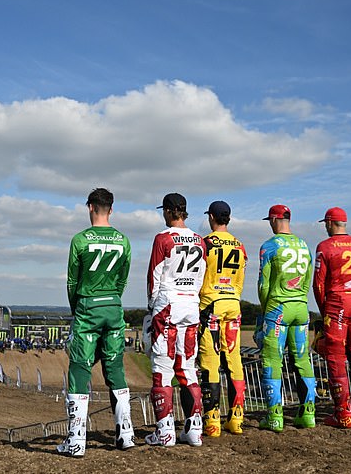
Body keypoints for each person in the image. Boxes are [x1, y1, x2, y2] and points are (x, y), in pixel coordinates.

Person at [57, 187, 135, 457]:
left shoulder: (79, 240)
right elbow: (123, 279)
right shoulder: (123, 241)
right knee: (115, 369)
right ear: (111, 209)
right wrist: (112, 299)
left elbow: (71, 281)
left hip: (87, 306)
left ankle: (76, 440)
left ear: (90, 207)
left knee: (80, 369)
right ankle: (125, 434)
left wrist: (76, 309)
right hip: (113, 306)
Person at [145, 192, 207, 447]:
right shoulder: (200, 241)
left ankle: (165, 432)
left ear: (170, 212)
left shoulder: (163, 238)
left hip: (167, 306)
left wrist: (151, 309)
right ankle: (194, 429)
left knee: (162, 370)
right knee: (188, 368)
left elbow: (154, 277)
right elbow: (202, 275)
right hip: (191, 305)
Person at [256, 204, 316, 431]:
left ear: (273, 220)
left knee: (273, 361)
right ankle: (308, 413)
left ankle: (275, 416)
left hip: (277, 309)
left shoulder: (269, 246)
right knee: (302, 360)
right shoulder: (303, 245)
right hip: (301, 307)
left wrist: (265, 311)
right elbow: (308, 277)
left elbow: (264, 284)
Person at [313, 207, 351, 428]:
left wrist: (324, 310)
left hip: (337, 301)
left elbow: (319, 284)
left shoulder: (325, 246)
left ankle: (343, 413)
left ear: (329, 223)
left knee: (336, 356)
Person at [198, 200, 248, 437]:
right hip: (233, 303)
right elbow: (241, 280)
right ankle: (237, 418)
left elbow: (199, 276)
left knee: (210, 362)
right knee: (234, 360)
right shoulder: (240, 245)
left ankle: (212, 420)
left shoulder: (205, 243)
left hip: (211, 304)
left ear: (211, 217)